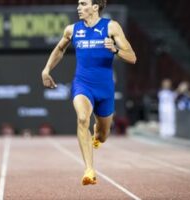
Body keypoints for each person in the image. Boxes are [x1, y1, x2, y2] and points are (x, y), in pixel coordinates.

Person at [42, 0, 136, 185]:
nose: (78, 7)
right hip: (82, 85)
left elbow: (132, 57)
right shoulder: (72, 29)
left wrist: (115, 49)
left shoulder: (111, 27)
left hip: (105, 89)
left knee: (102, 135)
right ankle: (89, 170)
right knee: (83, 118)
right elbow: (60, 48)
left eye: (83, 4)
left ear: (95, 7)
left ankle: (98, 132)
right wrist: (46, 70)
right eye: (78, 4)